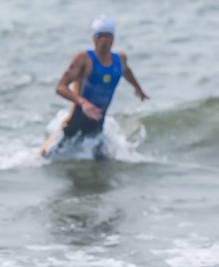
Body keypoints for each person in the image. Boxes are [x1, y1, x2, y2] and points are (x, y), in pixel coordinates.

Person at [43, 15, 148, 159]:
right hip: (72, 127)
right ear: (94, 38)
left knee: (103, 166)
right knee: (44, 158)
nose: (104, 40)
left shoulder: (120, 59)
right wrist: (83, 102)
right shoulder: (84, 59)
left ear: (113, 38)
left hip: (96, 130)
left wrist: (138, 88)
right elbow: (60, 87)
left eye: (108, 36)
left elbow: (126, 70)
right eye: (100, 35)